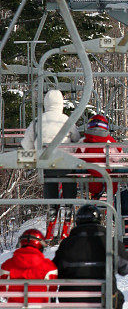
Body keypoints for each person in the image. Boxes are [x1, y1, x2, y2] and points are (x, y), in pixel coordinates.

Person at [53, 204, 128, 309]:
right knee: (117, 298)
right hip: (101, 302)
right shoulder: (108, 242)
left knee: (79, 299)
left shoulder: (66, 244)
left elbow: (53, 272)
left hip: (71, 304)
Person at [22, 90, 81, 220]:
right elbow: (76, 139)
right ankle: (68, 204)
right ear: (61, 103)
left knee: (48, 179)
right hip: (64, 162)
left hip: (46, 161)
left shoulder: (38, 121)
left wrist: (32, 154)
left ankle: (52, 206)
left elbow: (27, 143)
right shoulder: (66, 120)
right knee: (69, 178)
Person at [76, 114, 122, 199]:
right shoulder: (109, 141)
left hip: (89, 177)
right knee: (114, 171)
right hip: (107, 177)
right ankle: (109, 196)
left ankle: (95, 197)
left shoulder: (83, 142)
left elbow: (77, 158)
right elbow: (117, 157)